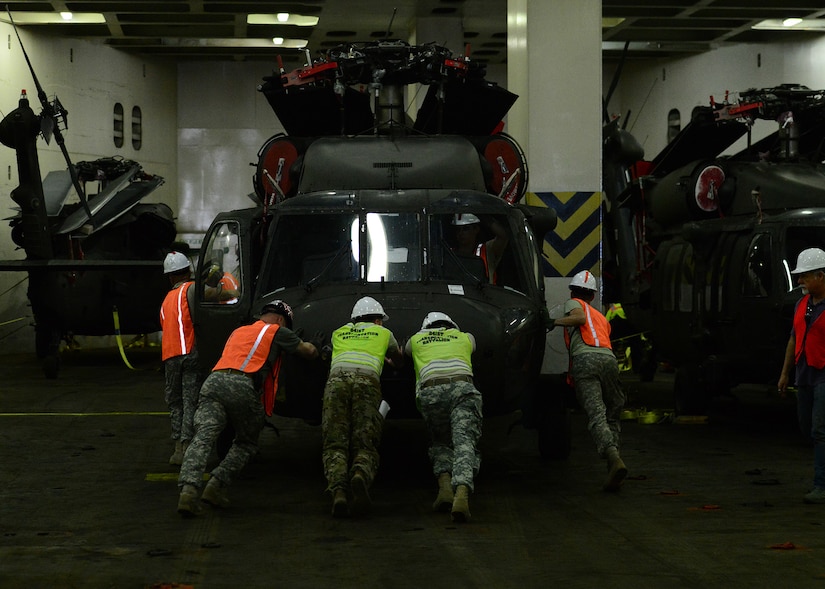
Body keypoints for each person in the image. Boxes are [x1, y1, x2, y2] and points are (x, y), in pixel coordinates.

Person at [177, 299, 319, 516]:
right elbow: (306, 351)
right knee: (246, 441)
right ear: (281, 320)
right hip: (241, 385)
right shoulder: (277, 331)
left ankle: (187, 492)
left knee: (204, 436)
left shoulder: (239, 331)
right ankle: (216, 485)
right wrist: (315, 347)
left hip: (213, 382)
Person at [322, 296, 404, 517]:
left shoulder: (339, 332)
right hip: (367, 382)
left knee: (335, 442)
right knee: (365, 441)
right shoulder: (384, 334)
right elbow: (398, 360)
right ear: (378, 320)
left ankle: (338, 491)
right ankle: (360, 475)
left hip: (336, 382)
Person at [550, 270, 628, 491]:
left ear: (574, 292)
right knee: (613, 411)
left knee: (596, 413)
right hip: (609, 361)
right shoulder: (602, 317)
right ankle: (614, 463)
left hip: (586, 361)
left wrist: (553, 322)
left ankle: (612, 457)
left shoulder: (573, 304)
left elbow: (578, 318)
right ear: (593, 296)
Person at [404, 311, 482, 522]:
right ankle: (461, 494)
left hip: (431, 392)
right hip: (462, 388)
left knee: (439, 442)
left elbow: (406, 353)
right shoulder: (466, 337)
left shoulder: (416, 339)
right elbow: (473, 347)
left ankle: (445, 489)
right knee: (464, 441)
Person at [778, 247, 825, 504]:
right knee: (806, 427)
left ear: (821, 276)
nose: (799, 281)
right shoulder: (801, 304)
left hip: (824, 375)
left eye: (805, 276)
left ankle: (821, 485)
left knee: (820, 430)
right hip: (803, 374)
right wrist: (785, 373)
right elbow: (793, 338)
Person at [159, 251, 199, 466]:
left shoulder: (165, 300)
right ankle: (186, 445)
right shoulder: (191, 290)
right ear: (188, 271)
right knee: (190, 399)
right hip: (190, 353)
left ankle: (177, 448)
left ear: (170, 277)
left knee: (175, 402)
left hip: (170, 357)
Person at [450, 213, 508, 283]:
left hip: (484, 292)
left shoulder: (487, 250)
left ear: (476, 229)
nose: (461, 233)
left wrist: (484, 216)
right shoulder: (449, 252)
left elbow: (503, 236)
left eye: (465, 229)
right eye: (458, 230)